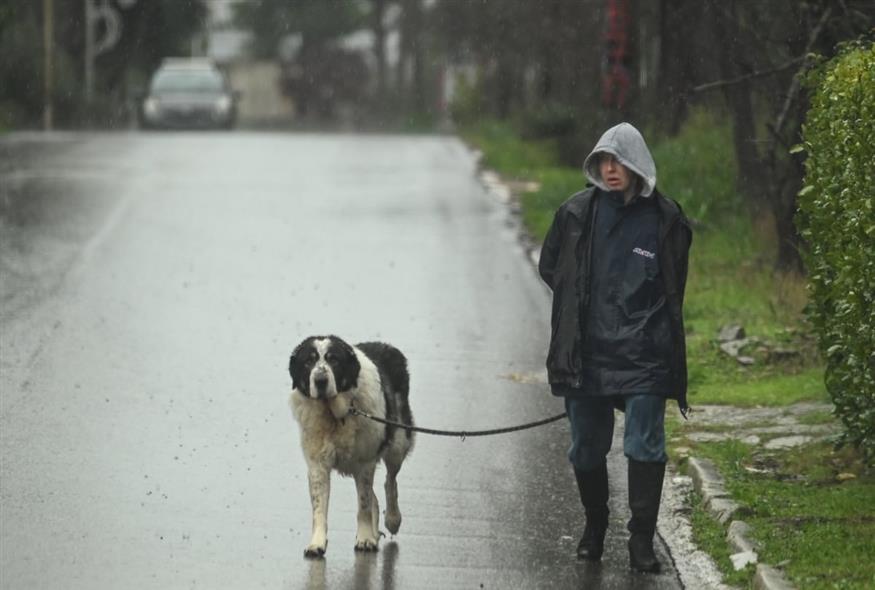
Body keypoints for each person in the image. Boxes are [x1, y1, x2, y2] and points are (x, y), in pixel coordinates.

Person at [537, 122, 692, 573]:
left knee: (645, 444)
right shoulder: (574, 215)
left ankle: (641, 540)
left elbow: (673, 286)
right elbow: (552, 270)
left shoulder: (666, 220)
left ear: (637, 165)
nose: (610, 169)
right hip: (584, 354)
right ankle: (594, 526)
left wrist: (640, 320)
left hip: (644, 356)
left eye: (619, 161)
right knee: (586, 447)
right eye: (604, 161)